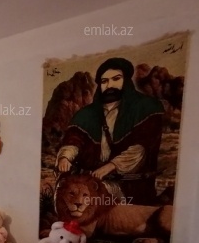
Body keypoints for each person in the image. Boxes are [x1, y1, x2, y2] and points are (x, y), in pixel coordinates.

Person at [56, 58, 165, 205]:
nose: (109, 85)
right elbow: (74, 140)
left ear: (126, 81)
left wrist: (109, 167)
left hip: (129, 185)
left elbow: (140, 149)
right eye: (104, 81)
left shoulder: (145, 107)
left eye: (116, 79)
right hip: (89, 180)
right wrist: (65, 157)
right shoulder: (86, 114)